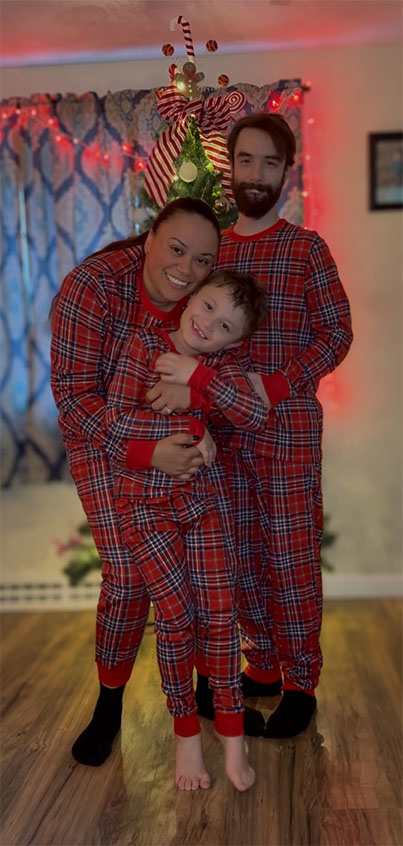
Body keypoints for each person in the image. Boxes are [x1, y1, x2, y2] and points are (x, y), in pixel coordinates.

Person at [149, 114, 353, 739]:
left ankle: (299, 683)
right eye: (246, 161)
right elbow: (187, 323)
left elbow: (336, 333)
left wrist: (277, 384)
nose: (256, 174)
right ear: (229, 167)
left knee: (289, 559)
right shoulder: (214, 252)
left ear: (286, 172)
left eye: (270, 163)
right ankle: (258, 665)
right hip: (220, 440)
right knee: (235, 557)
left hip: (286, 435)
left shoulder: (306, 248)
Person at [50, 198, 221, 767]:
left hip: (174, 438)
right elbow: (74, 401)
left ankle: (203, 685)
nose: (188, 270)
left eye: (203, 259)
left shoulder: (202, 299)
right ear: (148, 239)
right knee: (127, 576)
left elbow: (216, 367)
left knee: (203, 558)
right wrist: (147, 454)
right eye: (177, 250)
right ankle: (108, 706)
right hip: (102, 440)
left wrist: (200, 425)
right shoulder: (93, 288)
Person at [105, 269, 268, 790]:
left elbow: (252, 412)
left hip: (202, 503)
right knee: (176, 615)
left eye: (224, 326)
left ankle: (233, 742)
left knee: (221, 612)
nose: (208, 325)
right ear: (192, 295)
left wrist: (196, 381)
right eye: (208, 307)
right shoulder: (140, 347)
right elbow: (115, 424)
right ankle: (186, 738)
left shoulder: (219, 365)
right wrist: (196, 428)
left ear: (235, 341)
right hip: (145, 507)